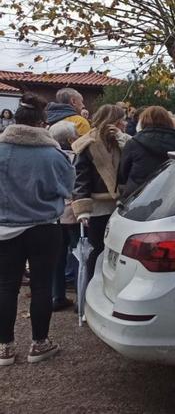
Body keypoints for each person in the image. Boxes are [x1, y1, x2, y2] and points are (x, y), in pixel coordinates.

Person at [0, 94, 75, 366]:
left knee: (6, 286)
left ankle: (4, 348)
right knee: (42, 285)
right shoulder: (53, 153)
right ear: (43, 123)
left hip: (5, 227)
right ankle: (39, 343)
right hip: (44, 226)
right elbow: (67, 188)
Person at [71, 104, 129, 282]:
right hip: (98, 206)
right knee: (96, 251)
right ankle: (91, 289)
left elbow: (133, 162)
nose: (125, 123)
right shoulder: (88, 143)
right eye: (122, 120)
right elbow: (81, 177)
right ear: (114, 121)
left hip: (121, 204)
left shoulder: (120, 140)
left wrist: (122, 139)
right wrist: (82, 209)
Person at [118, 106, 175, 198]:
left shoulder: (134, 142)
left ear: (143, 121)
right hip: (171, 194)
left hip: (138, 194)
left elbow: (123, 172)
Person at [48, 121, 79, 312]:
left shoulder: (48, 157)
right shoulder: (77, 156)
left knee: (57, 256)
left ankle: (56, 295)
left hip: (54, 213)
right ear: (70, 138)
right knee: (78, 255)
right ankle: (80, 296)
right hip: (75, 212)